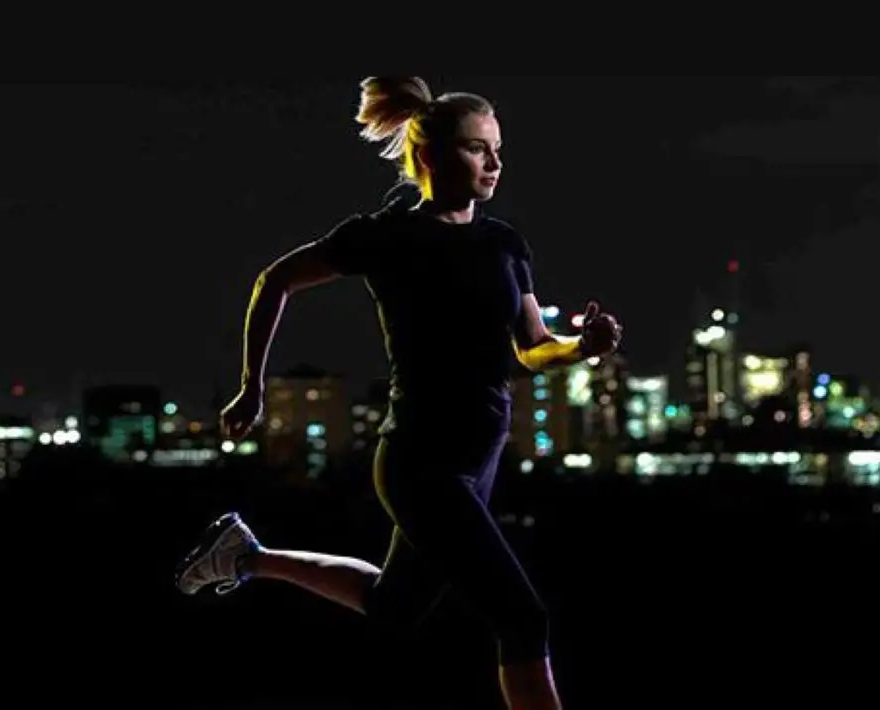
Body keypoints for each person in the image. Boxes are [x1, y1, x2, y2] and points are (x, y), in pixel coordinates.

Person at [174, 76, 623, 710]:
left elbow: (532, 347)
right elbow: (275, 281)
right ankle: (245, 558)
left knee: (394, 607)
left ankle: (246, 557)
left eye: (498, 149)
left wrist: (582, 347)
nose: (494, 163)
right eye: (477, 149)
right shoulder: (386, 237)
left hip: (479, 461)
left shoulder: (504, 243)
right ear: (434, 157)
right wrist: (253, 386)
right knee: (523, 619)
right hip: (421, 462)